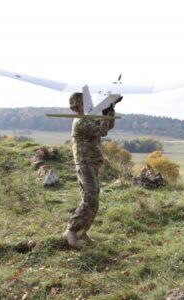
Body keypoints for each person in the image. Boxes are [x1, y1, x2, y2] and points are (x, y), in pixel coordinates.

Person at [63, 92, 119, 249]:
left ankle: (82, 232)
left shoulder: (87, 118)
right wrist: (106, 110)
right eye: (85, 102)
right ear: (78, 105)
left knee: (93, 201)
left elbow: (109, 125)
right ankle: (71, 231)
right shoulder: (81, 122)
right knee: (89, 200)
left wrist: (110, 110)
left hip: (91, 162)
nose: (90, 104)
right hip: (85, 163)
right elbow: (102, 130)